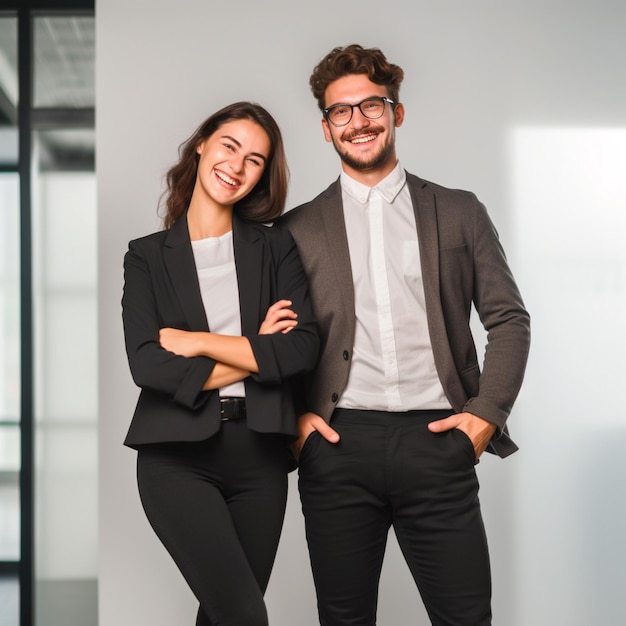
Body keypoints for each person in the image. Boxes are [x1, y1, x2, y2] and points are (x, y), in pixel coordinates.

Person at [278, 45, 531, 625]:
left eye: (372, 104)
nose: (358, 120)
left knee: (466, 617)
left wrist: (485, 414)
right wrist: (295, 421)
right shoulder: (295, 230)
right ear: (325, 128)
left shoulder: (460, 212)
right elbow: (277, 339)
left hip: (439, 438)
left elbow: (508, 319)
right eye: (341, 111)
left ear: (397, 112)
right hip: (339, 447)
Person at [121, 101, 319, 626]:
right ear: (203, 144)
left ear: (261, 177)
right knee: (245, 617)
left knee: (224, 617)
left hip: (261, 459)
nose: (237, 164)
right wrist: (255, 348)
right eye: (230, 146)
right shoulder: (146, 256)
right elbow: (149, 366)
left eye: (255, 160)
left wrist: (200, 343)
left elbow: (300, 350)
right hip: (176, 458)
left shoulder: (276, 249)